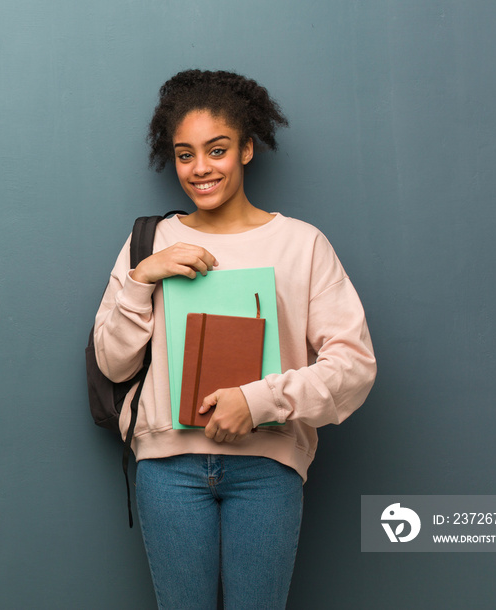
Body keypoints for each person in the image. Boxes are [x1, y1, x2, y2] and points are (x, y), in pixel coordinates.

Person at [93, 69, 376, 610]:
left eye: (216, 149)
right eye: (184, 154)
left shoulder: (302, 244)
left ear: (247, 148)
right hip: (167, 469)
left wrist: (259, 399)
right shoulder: (150, 243)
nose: (200, 169)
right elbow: (111, 364)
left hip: (266, 468)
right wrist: (140, 279)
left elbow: (355, 366)